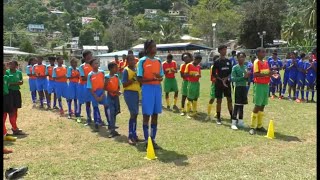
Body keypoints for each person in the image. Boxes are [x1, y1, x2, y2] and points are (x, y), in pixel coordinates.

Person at [137, 39, 163, 150]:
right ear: (147, 48)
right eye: (153, 47)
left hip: (157, 88)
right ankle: (147, 140)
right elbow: (139, 78)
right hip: (147, 89)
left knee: (155, 114)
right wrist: (151, 79)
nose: (155, 49)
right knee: (147, 114)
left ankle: (153, 139)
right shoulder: (142, 61)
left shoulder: (158, 61)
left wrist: (159, 77)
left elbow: (161, 77)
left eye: (155, 46)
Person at [249, 47, 276, 135]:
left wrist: (272, 74)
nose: (264, 53)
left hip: (265, 85)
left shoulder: (266, 62)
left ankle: (259, 126)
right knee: (257, 105)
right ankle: (252, 126)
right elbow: (256, 74)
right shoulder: (256, 62)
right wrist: (268, 74)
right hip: (259, 85)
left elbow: (267, 72)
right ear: (258, 54)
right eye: (262, 52)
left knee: (263, 105)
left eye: (265, 52)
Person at [122, 54, 142, 145]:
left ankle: (134, 135)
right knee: (133, 113)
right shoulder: (126, 70)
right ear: (127, 61)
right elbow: (124, 84)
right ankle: (130, 136)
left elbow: (139, 82)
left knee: (136, 114)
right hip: (129, 93)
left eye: (133, 59)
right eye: (130, 60)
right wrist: (133, 79)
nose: (133, 61)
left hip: (136, 93)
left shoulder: (137, 70)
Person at [212, 45, 233, 125]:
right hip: (219, 84)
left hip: (227, 83)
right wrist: (221, 79)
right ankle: (218, 117)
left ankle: (232, 116)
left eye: (226, 50)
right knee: (219, 101)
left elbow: (231, 72)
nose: (225, 51)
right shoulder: (217, 61)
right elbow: (214, 73)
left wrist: (226, 78)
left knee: (229, 100)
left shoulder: (228, 61)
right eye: (223, 50)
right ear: (219, 51)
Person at [87, 59, 109, 132]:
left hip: (102, 92)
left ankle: (110, 123)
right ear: (92, 65)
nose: (97, 64)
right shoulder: (90, 75)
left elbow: (104, 84)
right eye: (95, 63)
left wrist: (102, 94)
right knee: (95, 107)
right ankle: (97, 123)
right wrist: (95, 96)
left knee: (106, 106)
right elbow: (89, 87)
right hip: (94, 93)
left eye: (97, 63)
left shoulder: (102, 72)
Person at [231, 52, 250, 130]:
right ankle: (233, 122)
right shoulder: (235, 67)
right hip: (238, 87)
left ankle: (240, 121)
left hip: (244, 87)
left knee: (242, 105)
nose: (242, 58)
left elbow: (247, 78)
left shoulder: (245, 67)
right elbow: (233, 78)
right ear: (237, 58)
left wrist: (247, 77)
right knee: (237, 105)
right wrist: (243, 77)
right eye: (240, 57)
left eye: (243, 57)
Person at [6, 60, 25, 135]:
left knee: (15, 109)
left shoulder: (19, 72)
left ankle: (14, 127)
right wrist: (16, 83)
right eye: (10, 64)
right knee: (11, 110)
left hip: (16, 92)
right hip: (9, 93)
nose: (10, 65)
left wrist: (16, 83)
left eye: (12, 64)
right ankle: (14, 127)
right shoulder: (6, 72)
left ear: (16, 66)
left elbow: (21, 81)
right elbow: (7, 83)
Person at [105, 62, 122, 138]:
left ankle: (112, 126)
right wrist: (112, 91)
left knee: (116, 111)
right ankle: (112, 130)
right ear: (110, 69)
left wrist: (118, 91)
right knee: (111, 112)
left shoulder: (116, 76)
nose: (117, 69)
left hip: (116, 96)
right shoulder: (107, 77)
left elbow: (118, 86)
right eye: (115, 68)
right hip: (110, 96)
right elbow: (104, 87)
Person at [184, 54, 202, 118]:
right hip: (191, 83)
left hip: (197, 83)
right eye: (198, 61)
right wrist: (193, 75)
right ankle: (188, 113)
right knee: (189, 98)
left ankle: (194, 112)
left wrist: (199, 75)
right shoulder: (189, 65)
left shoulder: (198, 66)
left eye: (200, 61)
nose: (198, 62)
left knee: (195, 98)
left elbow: (199, 74)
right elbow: (185, 74)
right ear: (194, 59)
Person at [3, 64, 17, 142]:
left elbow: (12, 78)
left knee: (6, 113)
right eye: (5, 70)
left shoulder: (6, 77)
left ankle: (5, 134)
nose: (6, 71)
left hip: (6, 97)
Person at [79, 50, 93, 125]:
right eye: (90, 55)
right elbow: (83, 78)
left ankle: (98, 119)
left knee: (95, 103)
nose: (91, 56)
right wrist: (93, 76)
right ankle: (89, 118)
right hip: (87, 86)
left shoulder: (94, 64)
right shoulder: (82, 66)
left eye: (91, 55)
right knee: (88, 103)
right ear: (86, 57)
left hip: (95, 86)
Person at [206, 55, 219, 120]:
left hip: (220, 85)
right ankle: (208, 114)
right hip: (214, 84)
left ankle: (217, 113)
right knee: (212, 99)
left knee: (219, 100)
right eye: (216, 60)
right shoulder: (213, 67)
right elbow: (213, 77)